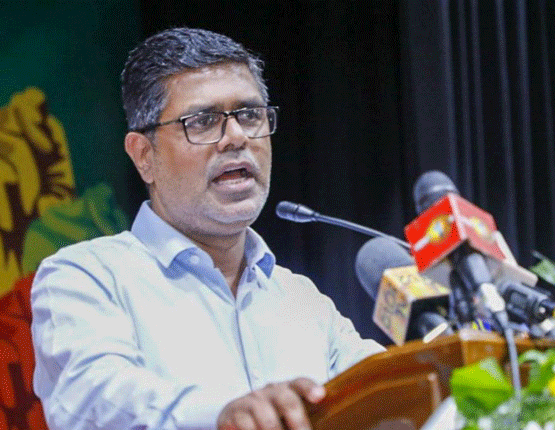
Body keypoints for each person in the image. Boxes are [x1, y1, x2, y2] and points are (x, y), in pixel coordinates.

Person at [31, 27, 384, 430]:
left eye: (250, 115)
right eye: (202, 121)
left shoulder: (301, 299)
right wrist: (222, 416)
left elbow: (386, 391)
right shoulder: (85, 278)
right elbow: (96, 399)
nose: (236, 137)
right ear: (144, 155)